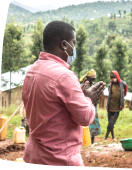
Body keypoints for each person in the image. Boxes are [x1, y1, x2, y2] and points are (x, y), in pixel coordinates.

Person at [21, 21, 106, 168]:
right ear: (64, 45)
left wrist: (77, 94)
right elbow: (85, 118)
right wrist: (88, 99)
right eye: (74, 43)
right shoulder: (64, 76)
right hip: (59, 159)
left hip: (33, 156)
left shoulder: (32, 70)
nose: (75, 48)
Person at [80, 69, 101, 145]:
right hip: (87, 107)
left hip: (93, 107)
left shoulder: (92, 84)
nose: (93, 80)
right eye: (92, 79)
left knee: (93, 126)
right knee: (87, 126)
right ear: (88, 78)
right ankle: (87, 141)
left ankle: (92, 141)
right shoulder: (85, 85)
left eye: (94, 79)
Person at [105, 71, 127, 140]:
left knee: (111, 123)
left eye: (113, 77)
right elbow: (109, 95)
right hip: (110, 106)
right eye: (111, 78)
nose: (112, 79)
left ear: (117, 76)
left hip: (117, 107)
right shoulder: (110, 85)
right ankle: (113, 137)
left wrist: (121, 100)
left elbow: (125, 93)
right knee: (110, 123)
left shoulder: (123, 84)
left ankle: (105, 138)